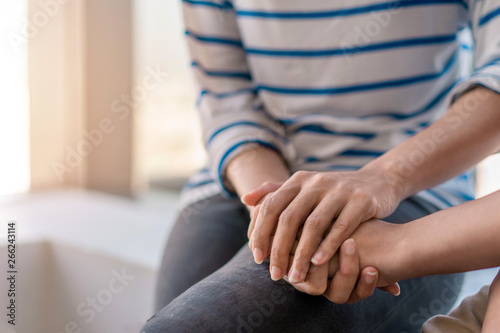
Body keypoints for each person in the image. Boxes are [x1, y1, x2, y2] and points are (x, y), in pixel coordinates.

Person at [143, 0, 500, 331]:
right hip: (247, 183)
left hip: (413, 185)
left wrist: (384, 178)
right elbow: (227, 100)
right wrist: (279, 210)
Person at [242, 183, 500, 332]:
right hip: (241, 189)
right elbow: (231, 116)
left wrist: (390, 246)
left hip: (420, 194)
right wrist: (279, 209)